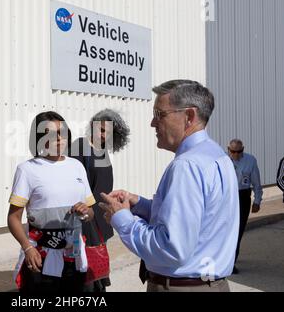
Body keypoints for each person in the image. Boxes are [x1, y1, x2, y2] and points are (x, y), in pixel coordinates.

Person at [99, 80, 239, 292]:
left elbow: (171, 248)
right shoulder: (216, 155)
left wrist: (122, 219)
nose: (152, 123)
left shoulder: (187, 166)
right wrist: (140, 205)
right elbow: (200, 220)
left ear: (189, 117)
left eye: (159, 114)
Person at [7, 111, 95, 293]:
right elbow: (13, 218)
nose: (59, 139)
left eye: (62, 132)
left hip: (75, 257)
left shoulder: (77, 166)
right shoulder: (27, 170)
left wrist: (85, 212)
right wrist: (27, 248)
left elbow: (91, 213)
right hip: (41, 258)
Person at [71, 109, 130, 292]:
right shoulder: (80, 146)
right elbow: (73, 183)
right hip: (86, 217)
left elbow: (103, 185)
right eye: (100, 129)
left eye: (107, 132)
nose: (102, 134)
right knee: (86, 272)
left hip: (101, 216)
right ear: (92, 125)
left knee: (96, 266)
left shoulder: (102, 151)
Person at [227, 139, 262, 274]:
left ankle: (231, 262)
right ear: (228, 149)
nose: (236, 154)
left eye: (239, 151)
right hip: (226, 197)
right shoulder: (222, 159)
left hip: (242, 196)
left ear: (243, 149)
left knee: (238, 230)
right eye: (233, 151)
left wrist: (257, 201)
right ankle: (227, 258)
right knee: (226, 230)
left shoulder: (250, 160)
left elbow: (256, 183)